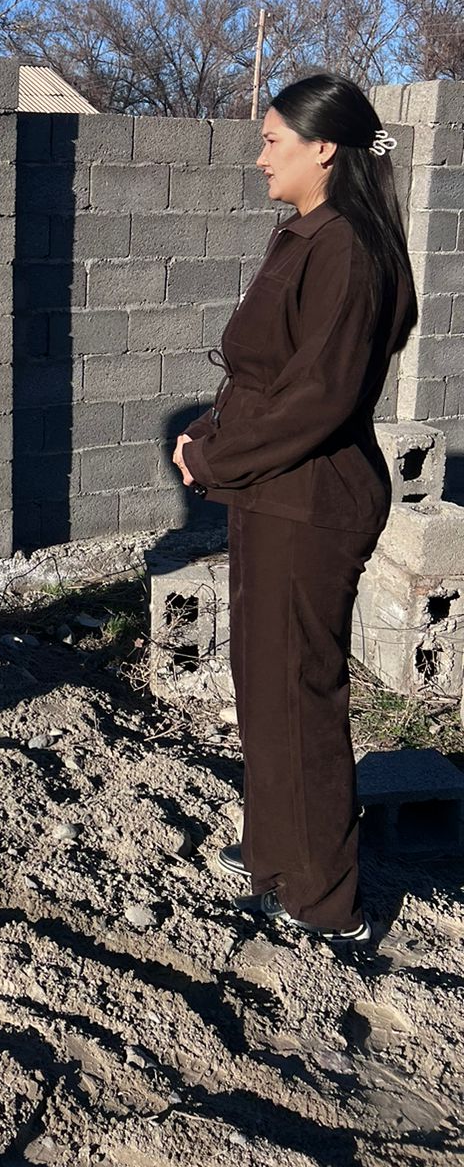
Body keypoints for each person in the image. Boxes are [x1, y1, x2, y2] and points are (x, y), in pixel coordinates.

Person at [172, 73, 416, 946]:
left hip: (312, 502)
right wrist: (209, 428)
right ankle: (275, 853)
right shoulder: (304, 236)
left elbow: (317, 399)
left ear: (324, 148)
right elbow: (262, 371)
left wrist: (210, 457)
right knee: (265, 683)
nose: (260, 152)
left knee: (301, 693)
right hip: (274, 495)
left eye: (273, 138)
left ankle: (324, 900)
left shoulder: (348, 248)